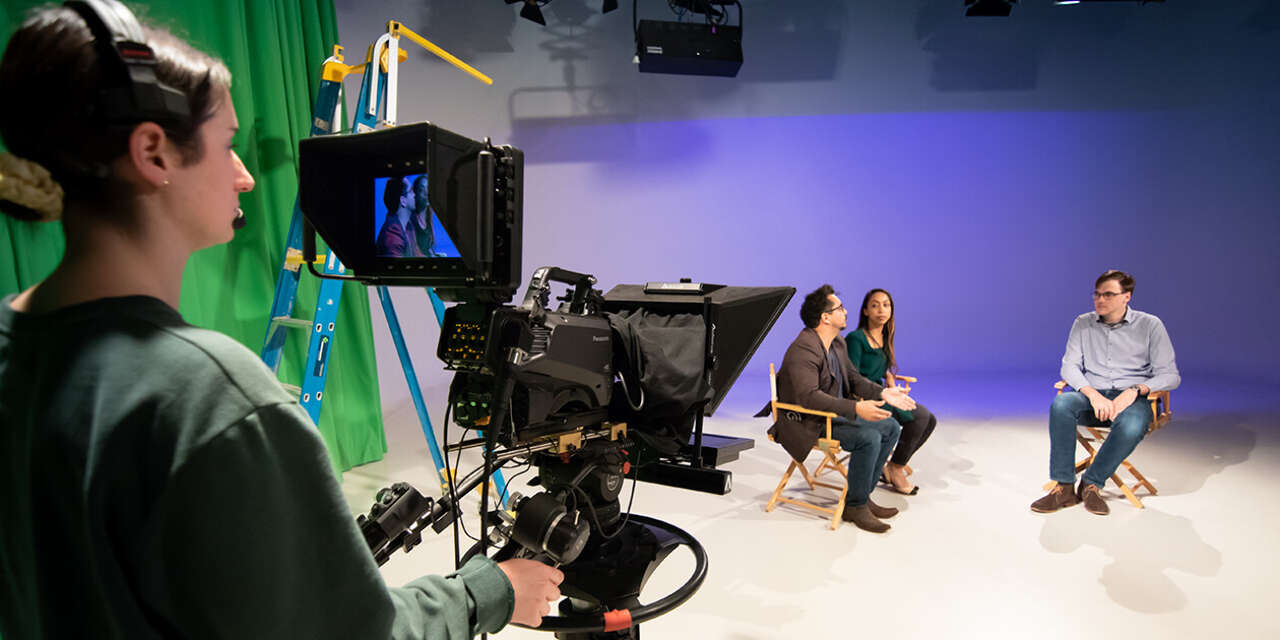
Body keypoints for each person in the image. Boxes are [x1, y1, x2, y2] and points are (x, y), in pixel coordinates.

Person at [0, 3, 560, 638]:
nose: (243, 177)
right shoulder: (213, 400)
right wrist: (490, 590)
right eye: (227, 145)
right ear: (153, 152)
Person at [765, 284, 917, 533]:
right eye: (840, 308)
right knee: (868, 437)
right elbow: (808, 398)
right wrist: (856, 409)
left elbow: (854, 378)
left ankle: (861, 496)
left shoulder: (836, 343)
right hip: (807, 423)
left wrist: (882, 392)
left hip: (831, 416)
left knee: (889, 426)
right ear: (825, 317)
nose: (846, 312)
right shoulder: (803, 349)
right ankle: (854, 506)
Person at [1030, 269, 1180, 516]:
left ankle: (1092, 483)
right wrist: (1092, 394)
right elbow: (1069, 366)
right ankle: (1064, 487)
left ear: (1126, 297)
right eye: (1097, 294)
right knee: (1062, 405)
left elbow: (1170, 375)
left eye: (1109, 294)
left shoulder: (1150, 325)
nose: (1100, 300)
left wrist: (1135, 391)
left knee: (1132, 425)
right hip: (1094, 399)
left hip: (1132, 400)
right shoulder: (1082, 323)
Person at [845, 288, 938, 495]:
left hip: (883, 393)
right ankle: (896, 469)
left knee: (930, 419)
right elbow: (852, 377)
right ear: (866, 311)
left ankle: (893, 463)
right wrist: (885, 392)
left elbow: (885, 368)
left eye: (886, 305)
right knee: (921, 418)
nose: (881, 310)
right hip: (866, 398)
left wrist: (892, 384)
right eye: (875, 305)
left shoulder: (885, 336)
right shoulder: (856, 338)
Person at [375, 175, 425, 258]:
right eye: (411, 191)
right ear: (403, 201)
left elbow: (417, 255)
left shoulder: (408, 225)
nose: (415, 194)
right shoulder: (392, 237)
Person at [408, 174, 439, 257]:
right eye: (422, 190)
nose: (427, 193)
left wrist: (434, 256)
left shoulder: (429, 213)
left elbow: (428, 246)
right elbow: (413, 252)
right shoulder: (410, 220)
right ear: (415, 194)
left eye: (428, 189)